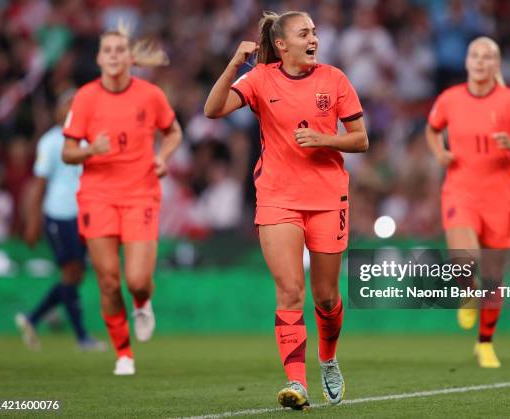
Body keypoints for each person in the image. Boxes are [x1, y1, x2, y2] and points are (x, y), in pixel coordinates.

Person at [205, 10, 368, 410]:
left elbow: (361, 139)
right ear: (281, 44)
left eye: (314, 32)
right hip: (278, 197)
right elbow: (213, 109)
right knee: (290, 291)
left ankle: (328, 359)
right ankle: (297, 382)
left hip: (329, 197)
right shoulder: (260, 78)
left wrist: (323, 139)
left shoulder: (334, 78)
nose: (313, 38)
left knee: (326, 298)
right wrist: (233, 64)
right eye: (304, 33)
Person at [61, 23, 182, 376]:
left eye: (119, 50)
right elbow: (67, 152)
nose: (113, 55)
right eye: (107, 50)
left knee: (137, 281)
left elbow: (173, 131)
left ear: (130, 57)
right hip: (97, 196)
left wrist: (164, 157)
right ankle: (124, 353)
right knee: (109, 281)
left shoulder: (150, 95)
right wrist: (88, 150)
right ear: (99, 58)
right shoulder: (84, 97)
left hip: (141, 193)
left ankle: (143, 303)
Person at [425, 37, 510, 368]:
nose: (480, 61)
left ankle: (485, 343)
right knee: (465, 257)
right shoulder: (450, 99)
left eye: (487, 56)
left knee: (492, 275)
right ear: (466, 62)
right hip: (460, 189)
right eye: (475, 55)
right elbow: (432, 130)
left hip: (500, 196)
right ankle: (466, 292)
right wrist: (439, 153)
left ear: (496, 64)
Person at [16, 89, 106, 352]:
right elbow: (39, 185)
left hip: (83, 215)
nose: (72, 110)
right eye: (67, 105)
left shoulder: (88, 140)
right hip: (59, 214)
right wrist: (33, 222)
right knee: (72, 272)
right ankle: (82, 338)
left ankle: (32, 319)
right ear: (58, 111)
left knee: (75, 275)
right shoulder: (51, 142)